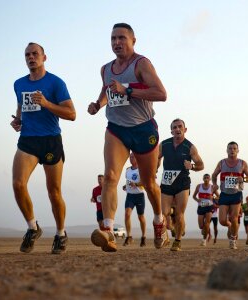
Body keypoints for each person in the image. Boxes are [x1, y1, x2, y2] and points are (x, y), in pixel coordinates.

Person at [87, 23, 168, 252]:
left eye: (122, 38)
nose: (117, 42)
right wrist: (97, 104)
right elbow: (107, 91)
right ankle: (109, 231)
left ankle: (159, 220)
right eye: (113, 38)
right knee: (111, 176)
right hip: (117, 129)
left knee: (149, 182)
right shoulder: (106, 69)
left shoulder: (141, 64)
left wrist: (129, 90)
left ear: (133, 41)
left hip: (143, 129)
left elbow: (161, 94)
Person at [11, 42, 76, 254]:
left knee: (54, 192)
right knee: (18, 184)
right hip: (28, 139)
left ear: (44, 57)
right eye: (27, 55)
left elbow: (72, 114)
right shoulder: (18, 83)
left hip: (50, 140)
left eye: (35, 54)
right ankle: (32, 228)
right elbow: (22, 104)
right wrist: (18, 120)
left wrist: (47, 104)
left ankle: (60, 233)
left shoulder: (56, 83)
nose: (31, 57)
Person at [159, 119, 204, 251]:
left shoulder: (189, 147)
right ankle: (169, 228)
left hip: (182, 183)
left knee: (179, 214)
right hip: (167, 182)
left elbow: (201, 165)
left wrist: (192, 166)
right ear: (171, 131)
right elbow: (157, 157)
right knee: (164, 213)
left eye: (180, 127)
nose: (177, 129)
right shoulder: (164, 144)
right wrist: (155, 168)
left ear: (185, 129)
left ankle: (177, 241)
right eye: (174, 127)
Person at [212, 141, 248, 249]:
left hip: (236, 194)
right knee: (222, 221)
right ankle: (230, 226)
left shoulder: (242, 163)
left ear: (238, 151)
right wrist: (215, 184)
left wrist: (243, 179)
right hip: (224, 194)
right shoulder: (221, 163)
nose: (232, 150)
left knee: (234, 218)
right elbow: (214, 175)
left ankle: (233, 239)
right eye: (230, 148)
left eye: (234, 148)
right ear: (227, 150)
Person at [122, 153, 147, 247]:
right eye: (130, 157)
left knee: (141, 217)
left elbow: (145, 182)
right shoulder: (127, 170)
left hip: (139, 195)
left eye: (133, 157)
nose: (131, 159)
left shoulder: (141, 169)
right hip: (130, 196)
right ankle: (129, 236)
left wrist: (136, 185)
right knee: (127, 214)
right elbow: (128, 181)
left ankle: (143, 237)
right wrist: (126, 186)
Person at [193, 174, 219, 246]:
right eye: (205, 177)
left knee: (207, 223)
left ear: (210, 179)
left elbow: (219, 197)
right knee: (201, 226)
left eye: (207, 177)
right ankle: (205, 231)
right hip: (201, 207)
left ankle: (204, 240)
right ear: (203, 178)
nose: (206, 179)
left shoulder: (212, 187)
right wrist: (198, 200)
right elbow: (193, 196)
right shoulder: (199, 186)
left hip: (209, 207)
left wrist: (212, 198)